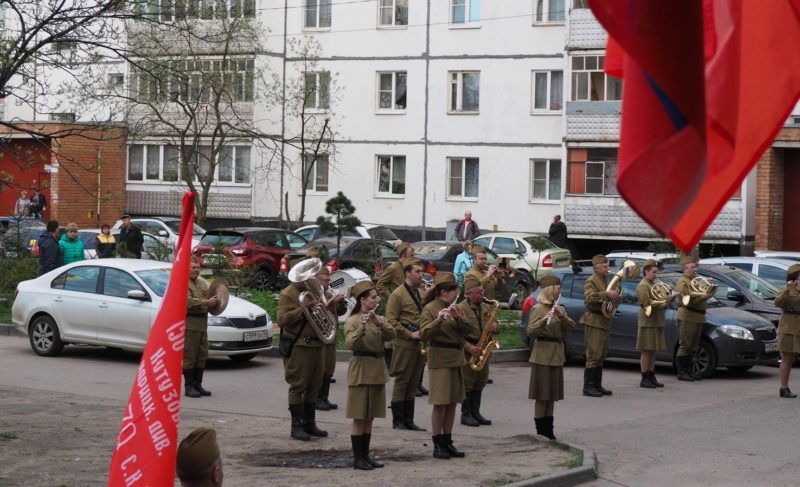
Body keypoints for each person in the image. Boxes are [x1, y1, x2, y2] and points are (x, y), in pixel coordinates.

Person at [420, 272, 472, 460]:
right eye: (453, 291)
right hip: (440, 358)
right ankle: (437, 443)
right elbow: (424, 333)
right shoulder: (430, 309)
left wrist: (458, 317)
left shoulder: (455, 308)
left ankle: (448, 441)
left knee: (452, 403)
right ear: (443, 292)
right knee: (440, 403)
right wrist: (439, 319)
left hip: (455, 358)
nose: (456, 294)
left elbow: (470, 329)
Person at [344, 280, 395, 470]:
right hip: (361, 370)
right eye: (373, 297)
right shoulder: (352, 320)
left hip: (377, 369)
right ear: (363, 300)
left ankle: (365, 456)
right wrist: (361, 327)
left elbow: (392, 335)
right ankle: (358, 458)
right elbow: (350, 344)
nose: (376, 300)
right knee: (360, 416)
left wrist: (378, 322)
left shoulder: (378, 318)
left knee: (370, 416)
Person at [277, 258, 329, 441]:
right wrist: (302, 309)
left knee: (315, 385)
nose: (311, 278)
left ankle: (310, 423)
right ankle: (296, 426)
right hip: (300, 345)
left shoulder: (313, 290)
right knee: (298, 385)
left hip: (317, 343)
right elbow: (282, 320)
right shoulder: (288, 294)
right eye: (307, 275)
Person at [527, 274, 574, 440]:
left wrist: (562, 316)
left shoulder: (559, 308)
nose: (560, 291)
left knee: (552, 395)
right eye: (558, 288)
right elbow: (531, 331)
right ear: (551, 290)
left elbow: (570, 327)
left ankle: (549, 430)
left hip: (556, 354)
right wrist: (543, 321)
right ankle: (540, 432)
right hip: (542, 355)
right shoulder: (538, 309)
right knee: (542, 395)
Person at [385, 257, 427, 430]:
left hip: (419, 344)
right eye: (417, 271)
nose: (421, 274)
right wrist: (409, 333)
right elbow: (391, 321)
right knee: (402, 381)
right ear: (407, 273)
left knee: (413, 381)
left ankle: (409, 420)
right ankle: (398, 420)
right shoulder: (397, 294)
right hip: (404, 343)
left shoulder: (421, 292)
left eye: (421, 271)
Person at [458, 279, 498, 427]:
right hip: (469, 349)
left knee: (480, 381)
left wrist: (495, 327)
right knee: (468, 383)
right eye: (479, 292)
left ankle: (476, 412)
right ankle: (466, 414)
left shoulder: (486, 307)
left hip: (483, 348)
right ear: (469, 294)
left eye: (482, 291)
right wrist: (468, 347)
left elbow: (496, 325)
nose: (483, 294)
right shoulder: (460, 308)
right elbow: (455, 333)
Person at [580, 254, 620, 397]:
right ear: (597, 268)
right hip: (594, 321)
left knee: (602, 354)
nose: (608, 269)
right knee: (594, 354)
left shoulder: (605, 279)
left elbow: (609, 298)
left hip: (603, 321)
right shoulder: (591, 280)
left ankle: (597, 385)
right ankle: (588, 386)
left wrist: (615, 298)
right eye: (605, 266)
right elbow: (589, 298)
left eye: (608, 266)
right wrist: (606, 294)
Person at [674, 255, 713, 381]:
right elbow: (687, 301)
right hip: (688, 315)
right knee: (685, 344)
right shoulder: (682, 282)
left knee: (693, 345)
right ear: (685, 269)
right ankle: (682, 372)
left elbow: (702, 287)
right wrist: (704, 297)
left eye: (694, 267)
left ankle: (689, 371)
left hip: (697, 316)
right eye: (691, 267)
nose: (694, 269)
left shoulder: (694, 278)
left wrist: (708, 283)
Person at [636, 260, 674, 388]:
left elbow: (658, 299)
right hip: (648, 322)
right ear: (646, 271)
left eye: (656, 272)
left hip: (656, 320)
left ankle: (651, 375)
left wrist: (669, 294)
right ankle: (644, 377)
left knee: (653, 351)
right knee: (647, 350)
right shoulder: (643, 285)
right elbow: (647, 304)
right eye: (653, 272)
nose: (655, 275)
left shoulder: (654, 283)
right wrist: (664, 303)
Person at [185, 256, 217, 399]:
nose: (196, 270)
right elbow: (188, 301)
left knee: (202, 355)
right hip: (190, 323)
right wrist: (206, 302)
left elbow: (209, 297)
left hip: (202, 323)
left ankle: (198, 384)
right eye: (193, 267)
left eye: (198, 267)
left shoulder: (201, 283)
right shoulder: (183, 283)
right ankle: (189, 386)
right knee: (190, 355)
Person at [315, 264, 346, 411]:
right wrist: (333, 301)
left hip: (331, 336)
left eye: (328, 280)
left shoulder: (328, 293)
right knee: (320, 370)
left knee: (329, 369)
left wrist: (341, 303)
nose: (328, 283)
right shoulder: (315, 294)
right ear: (318, 280)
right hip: (321, 336)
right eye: (325, 280)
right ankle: (316, 398)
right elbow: (318, 310)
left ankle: (324, 397)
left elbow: (339, 312)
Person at [775, 264, 800, 398]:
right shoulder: (786, 289)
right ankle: (784, 388)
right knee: (788, 358)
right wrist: (787, 290)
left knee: (793, 359)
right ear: (794, 277)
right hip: (789, 327)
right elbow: (778, 303)